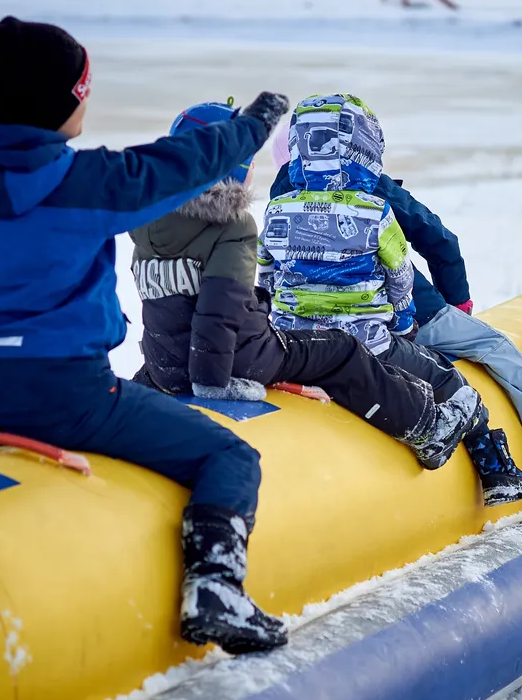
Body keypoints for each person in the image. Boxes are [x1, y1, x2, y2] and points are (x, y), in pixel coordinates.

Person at [0, 16, 292, 653]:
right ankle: (216, 590)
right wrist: (250, 127)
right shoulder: (86, 182)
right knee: (229, 456)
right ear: (67, 100)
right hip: (74, 399)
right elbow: (180, 164)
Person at [128, 101, 484, 472]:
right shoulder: (231, 225)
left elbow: (171, 303)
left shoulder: (148, 223)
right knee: (341, 349)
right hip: (235, 358)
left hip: (165, 360)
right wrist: (214, 383)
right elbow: (217, 313)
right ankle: (426, 428)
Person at [270, 119, 522, 483]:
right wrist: (457, 304)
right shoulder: (366, 183)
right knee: (494, 345)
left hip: (311, 334)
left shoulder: (281, 196)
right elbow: (437, 238)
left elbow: (270, 268)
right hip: (410, 316)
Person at [259, 93, 522, 507]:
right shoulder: (376, 212)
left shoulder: (277, 209)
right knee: (451, 383)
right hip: (367, 342)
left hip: (296, 346)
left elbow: (266, 275)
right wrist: (405, 324)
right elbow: (399, 277)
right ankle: (497, 472)